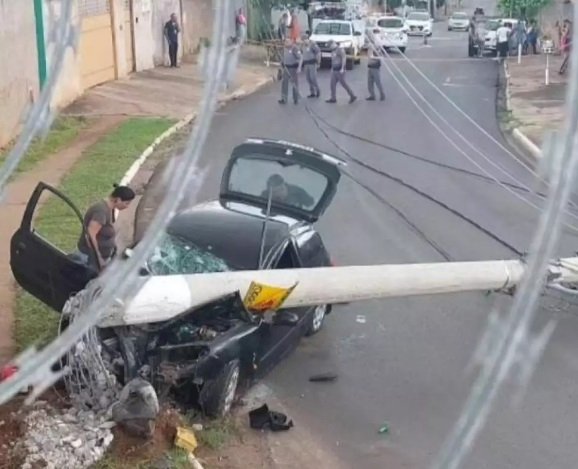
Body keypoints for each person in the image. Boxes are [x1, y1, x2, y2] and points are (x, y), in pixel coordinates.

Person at [76, 185, 136, 271]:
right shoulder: (101, 211)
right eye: (126, 203)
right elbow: (90, 235)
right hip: (90, 260)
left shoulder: (110, 209)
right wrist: (98, 259)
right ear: (118, 200)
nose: (127, 206)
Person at [279, 38, 301, 105]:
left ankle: (296, 98)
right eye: (285, 42)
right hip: (286, 68)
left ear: (291, 42)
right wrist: (281, 64)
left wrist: (299, 67)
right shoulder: (284, 49)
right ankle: (284, 98)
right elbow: (283, 58)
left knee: (294, 84)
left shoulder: (295, 48)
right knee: (284, 83)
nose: (286, 43)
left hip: (293, 68)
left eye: (288, 41)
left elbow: (300, 58)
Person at [301, 33, 321, 98]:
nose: (304, 41)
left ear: (308, 39)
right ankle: (312, 92)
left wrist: (318, 62)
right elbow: (302, 54)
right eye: (303, 40)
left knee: (313, 78)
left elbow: (318, 53)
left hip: (312, 63)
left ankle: (317, 90)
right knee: (308, 78)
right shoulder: (302, 46)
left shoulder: (312, 44)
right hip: (306, 64)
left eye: (305, 39)